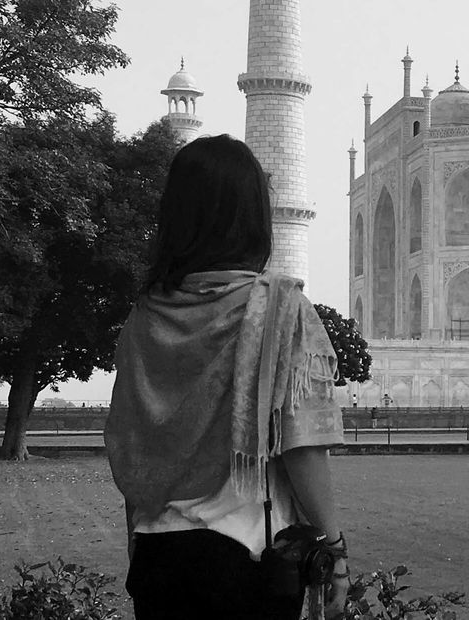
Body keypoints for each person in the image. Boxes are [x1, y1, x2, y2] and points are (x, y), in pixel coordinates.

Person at [106, 135, 348, 620]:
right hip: (245, 560)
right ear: (255, 216)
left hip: (157, 556)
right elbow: (301, 447)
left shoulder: (144, 317)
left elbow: (133, 444)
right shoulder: (280, 310)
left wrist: (137, 541)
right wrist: (335, 551)